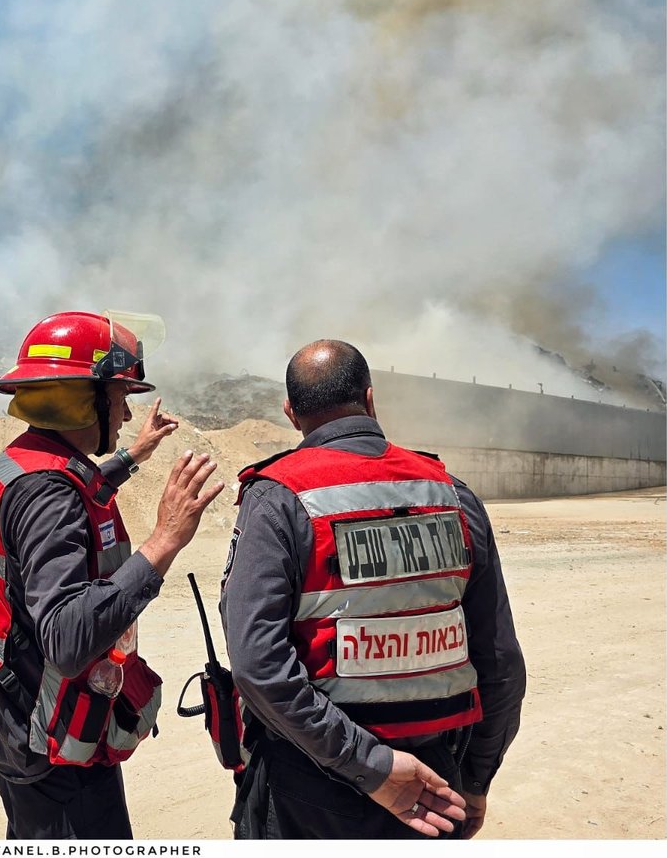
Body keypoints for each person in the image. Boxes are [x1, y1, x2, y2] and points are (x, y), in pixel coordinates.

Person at [219, 339, 526, 839]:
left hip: (312, 784)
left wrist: (371, 765)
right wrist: (475, 779)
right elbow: (500, 660)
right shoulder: (450, 492)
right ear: (370, 397)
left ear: (292, 414)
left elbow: (258, 665)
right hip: (435, 787)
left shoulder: (277, 496)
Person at [0, 310, 225, 839]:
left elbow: (74, 493)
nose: (127, 413)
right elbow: (67, 637)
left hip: (12, 716)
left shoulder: (26, 462)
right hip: (51, 748)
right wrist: (164, 541)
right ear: (85, 397)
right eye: (119, 397)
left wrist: (131, 457)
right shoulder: (47, 493)